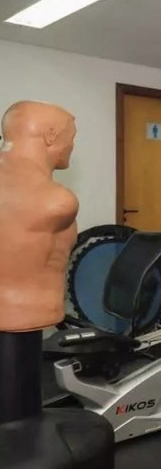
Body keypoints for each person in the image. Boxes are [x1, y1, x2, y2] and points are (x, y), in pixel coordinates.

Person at [0, 100, 78, 332]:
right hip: (24, 314)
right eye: (71, 137)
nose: (72, 146)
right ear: (50, 136)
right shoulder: (57, 200)